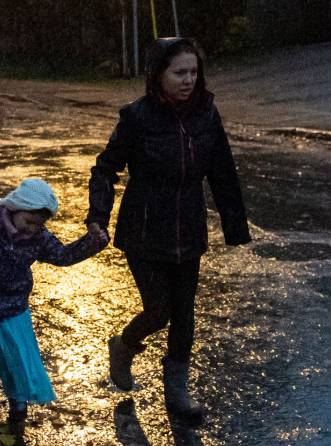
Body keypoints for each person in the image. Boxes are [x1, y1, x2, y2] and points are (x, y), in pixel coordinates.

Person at [85, 37, 251, 422]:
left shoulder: (207, 115)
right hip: (144, 230)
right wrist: (98, 216)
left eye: (193, 72)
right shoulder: (137, 119)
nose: (188, 80)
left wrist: (235, 227)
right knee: (158, 310)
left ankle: (177, 391)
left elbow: (222, 172)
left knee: (185, 313)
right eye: (179, 72)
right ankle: (124, 346)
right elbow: (104, 169)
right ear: (158, 75)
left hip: (189, 228)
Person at [0, 178, 109, 434]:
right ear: (15, 210)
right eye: (29, 222)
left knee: (17, 354)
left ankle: (18, 399)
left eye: (39, 225)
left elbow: (63, 255)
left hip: (14, 305)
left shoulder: (40, 238)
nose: (33, 229)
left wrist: (92, 242)